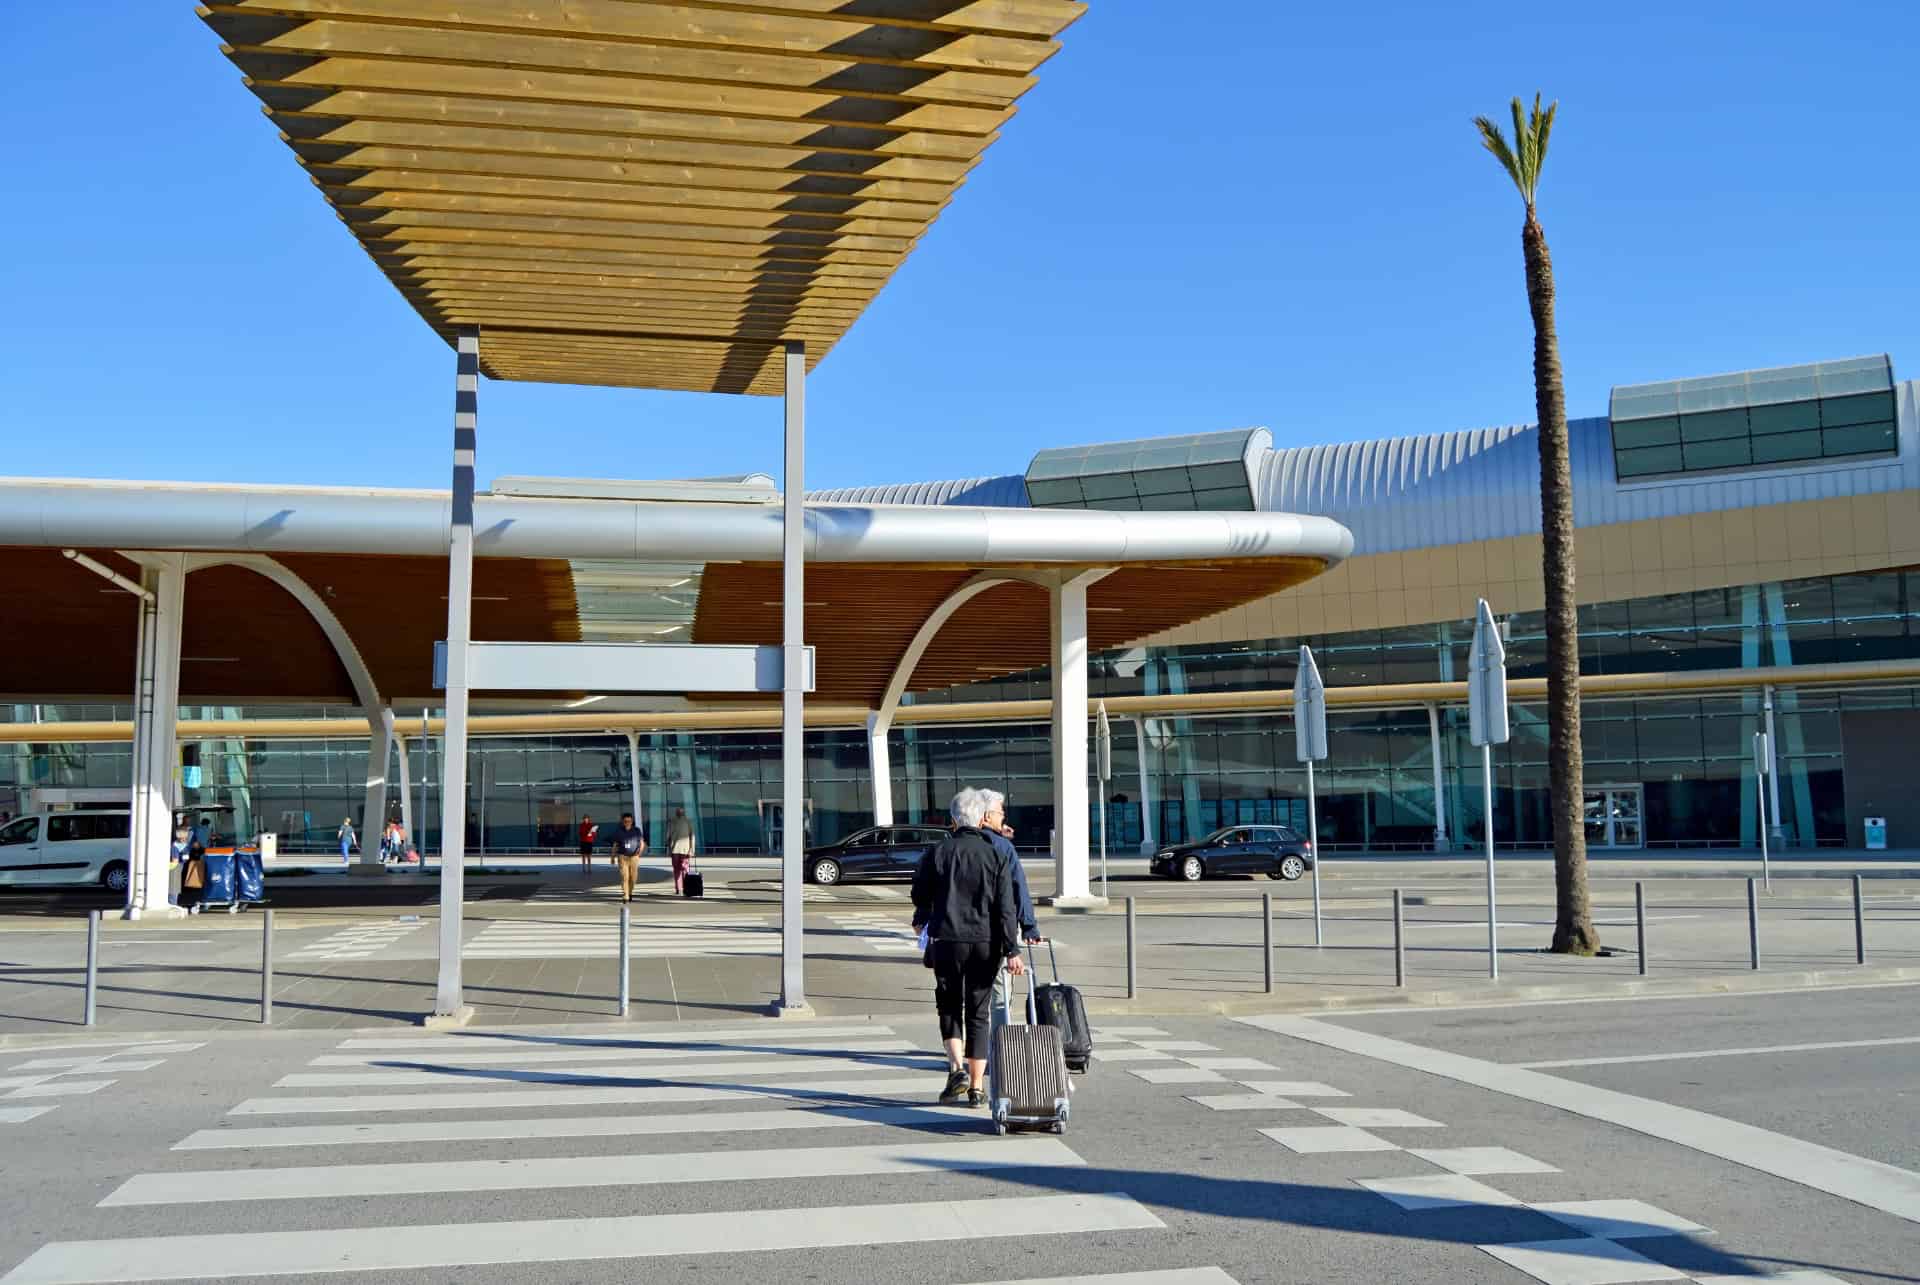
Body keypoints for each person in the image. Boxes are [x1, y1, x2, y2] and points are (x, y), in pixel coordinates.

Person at [912, 788, 1027, 1107]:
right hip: (985, 943)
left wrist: (922, 918)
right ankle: (977, 1087)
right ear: (981, 818)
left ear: (953, 821)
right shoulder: (996, 854)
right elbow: (1006, 906)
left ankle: (956, 1069)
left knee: (949, 1005)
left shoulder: (937, 852)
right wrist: (1012, 950)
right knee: (979, 1012)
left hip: (947, 941)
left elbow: (920, 893)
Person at [978, 788, 1043, 1038]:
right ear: (985, 816)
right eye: (999, 812)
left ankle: (969, 1052)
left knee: (969, 995)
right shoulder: (1002, 847)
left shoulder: (955, 844)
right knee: (999, 992)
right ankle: (996, 1048)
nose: (1003, 815)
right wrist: (1029, 926)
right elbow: (1018, 888)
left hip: (961, 933)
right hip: (997, 931)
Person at [606, 810, 646, 903]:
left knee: (633, 878)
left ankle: (630, 892)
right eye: (625, 821)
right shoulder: (619, 831)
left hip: (634, 857)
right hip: (622, 857)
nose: (627, 823)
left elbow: (642, 843)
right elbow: (615, 845)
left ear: (632, 821)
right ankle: (626, 895)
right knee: (625, 877)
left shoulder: (637, 830)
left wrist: (639, 854)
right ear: (622, 822)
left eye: (629, 821)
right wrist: (612, 857)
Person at [666, 807, 696, 895]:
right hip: (684, 850)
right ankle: (684, 888)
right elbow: (692, 836)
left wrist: (668, 849)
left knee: (677, 870)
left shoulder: (672, 821)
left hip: (676, 850)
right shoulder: (688, 821)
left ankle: (679, 888)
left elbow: (667, 836)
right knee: (684, 870)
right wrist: (692, 850)